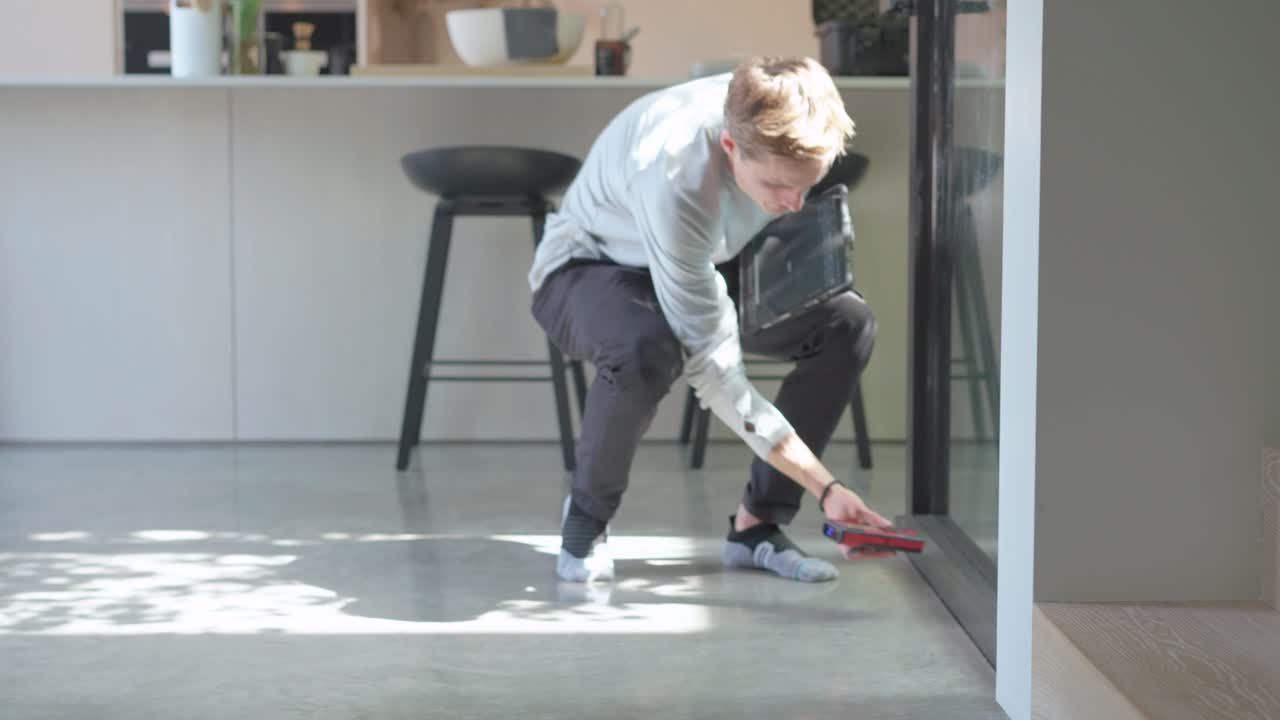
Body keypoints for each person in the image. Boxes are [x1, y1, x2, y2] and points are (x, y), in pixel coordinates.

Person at [528, 56, 892, 584]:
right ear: (729, 148)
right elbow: (720, 378)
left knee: (845, 324)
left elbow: (762, 216)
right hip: (588, 268)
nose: (792, 206)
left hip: (708, 255)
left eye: (805, 186)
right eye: (776, 186)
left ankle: (757, 528)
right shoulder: (676, 176)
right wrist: (827, 488)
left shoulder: (776, 116)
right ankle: (585, 521)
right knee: (646, 351)